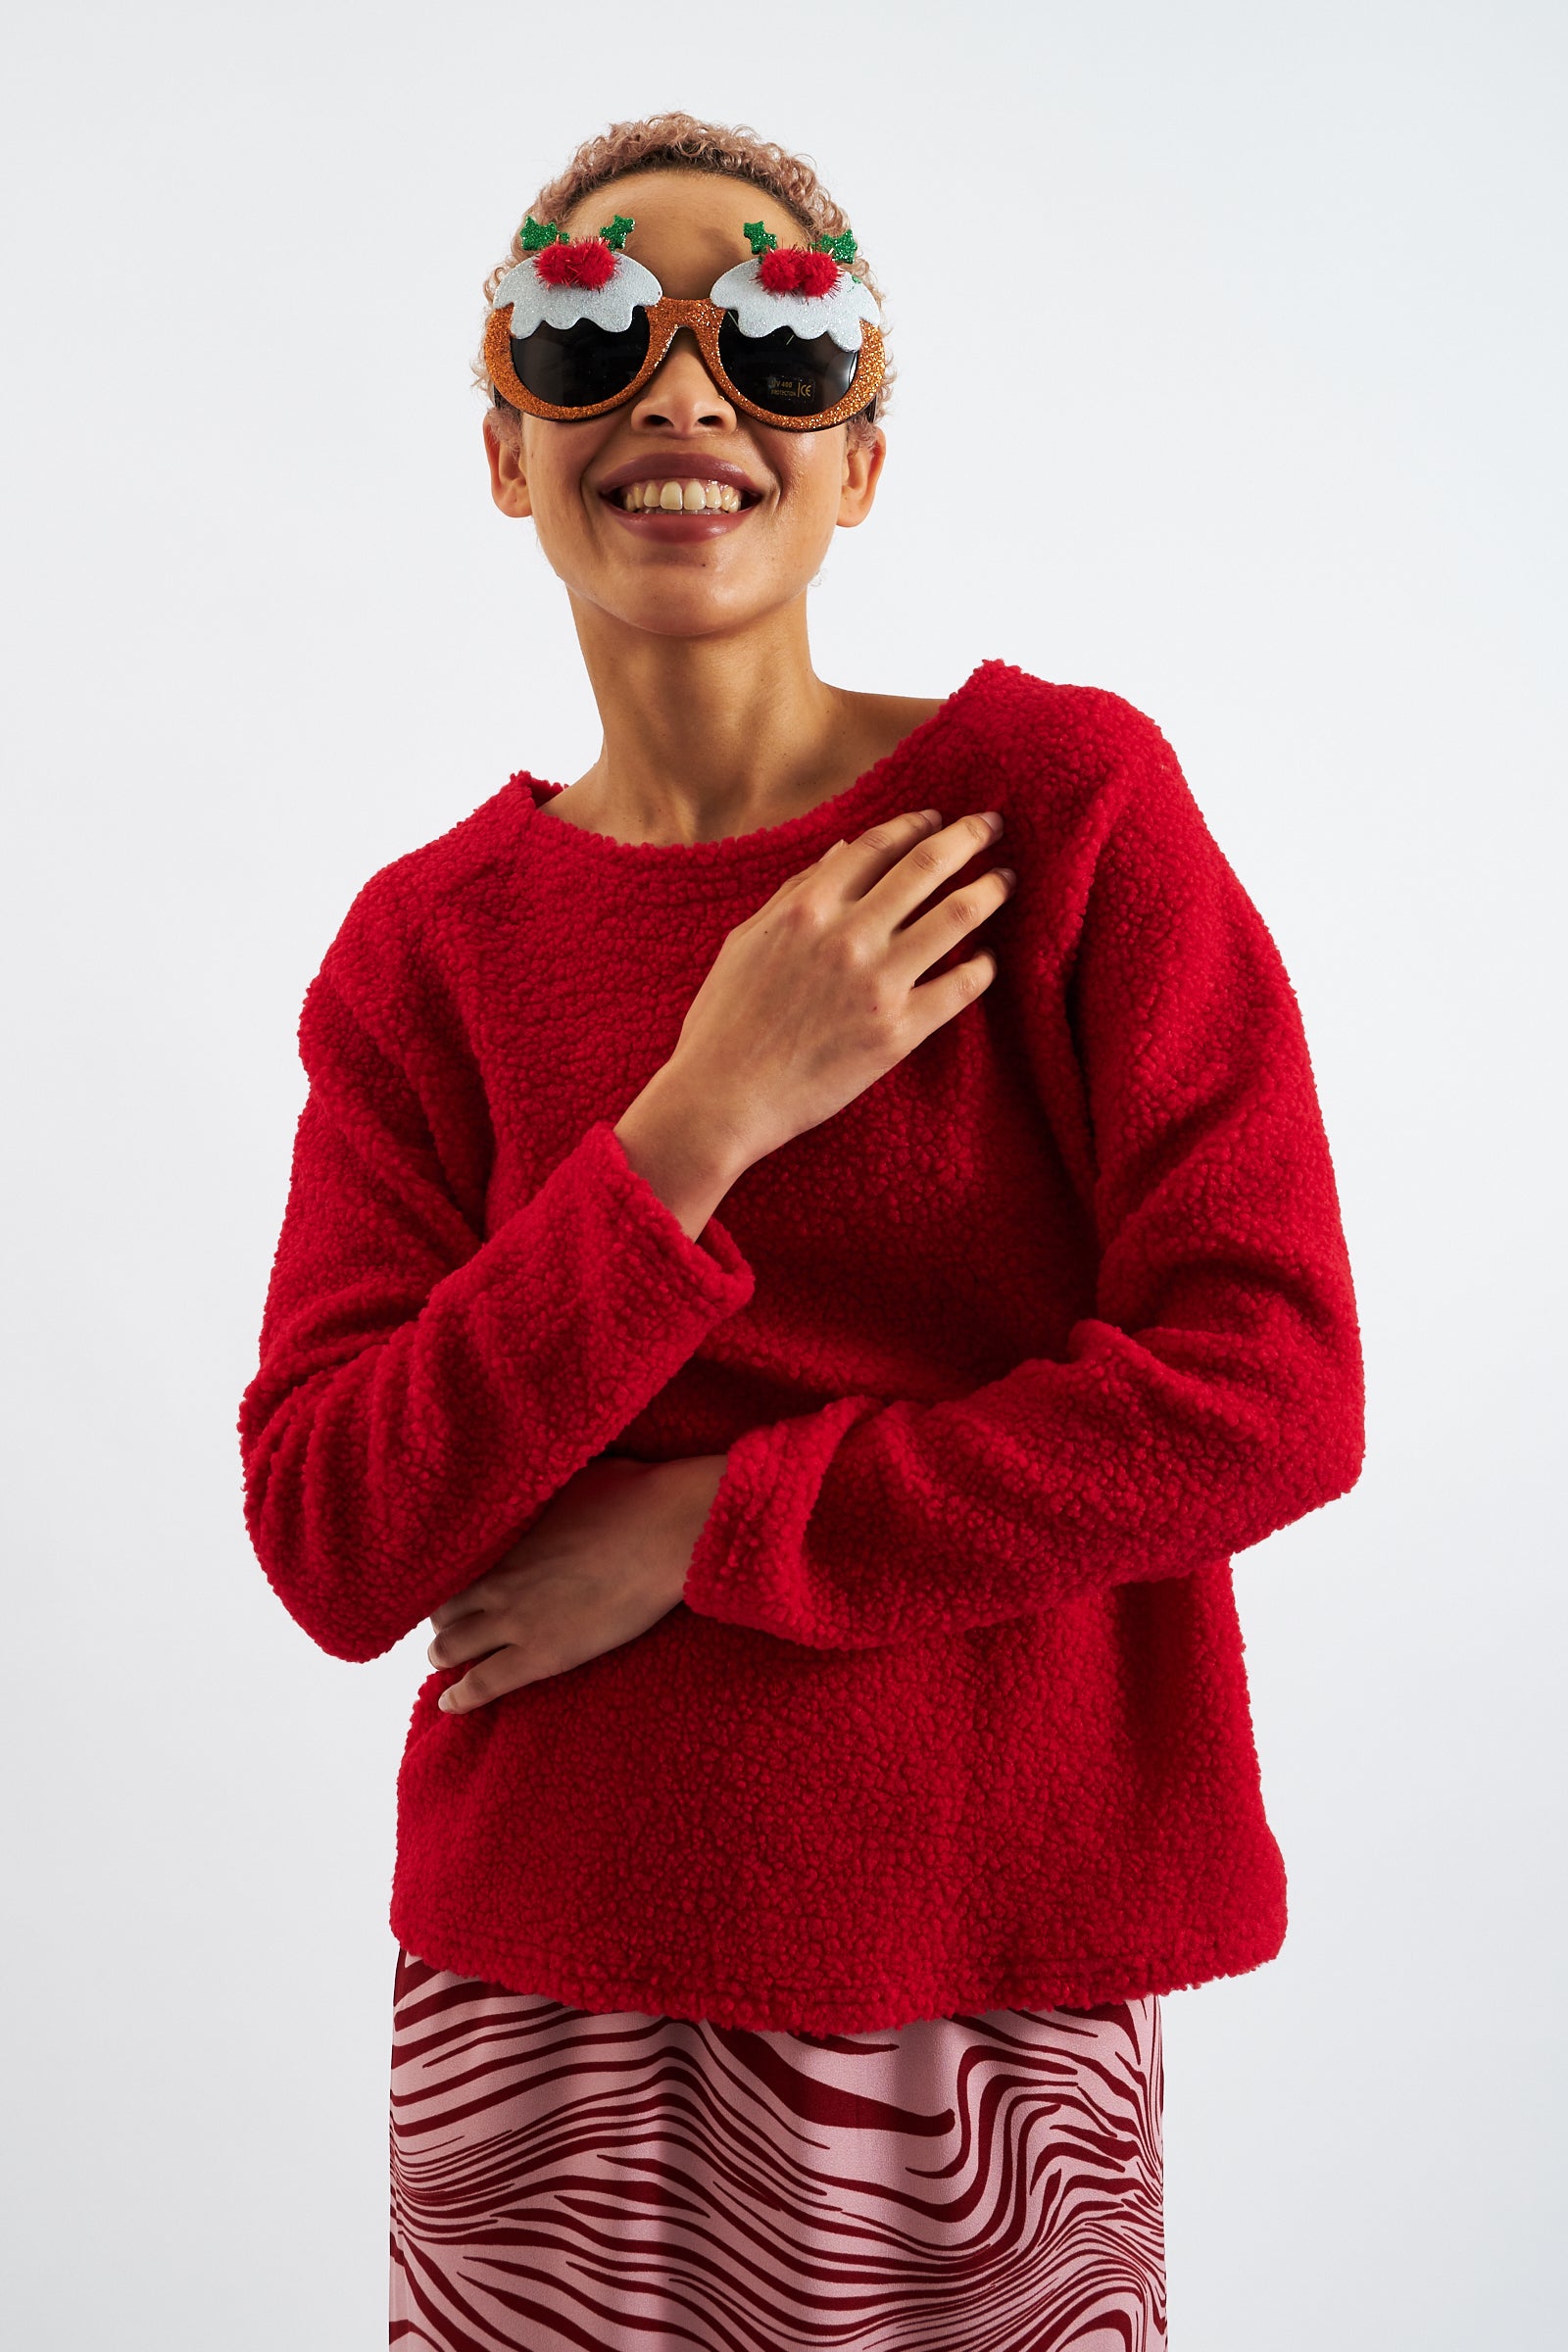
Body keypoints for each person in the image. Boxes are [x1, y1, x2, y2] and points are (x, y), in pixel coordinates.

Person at [237, 111, 1365, 2352]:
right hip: (538, 1976)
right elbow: (332, 1533)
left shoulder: (1056, 816)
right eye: (587, 336)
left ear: (859, 457)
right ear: (500, 450)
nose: (678, 394)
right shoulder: (425, 955)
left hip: (974, 1994)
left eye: (769, 336)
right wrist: (692, 1122)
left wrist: (707, 1524)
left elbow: (1269, 1386)